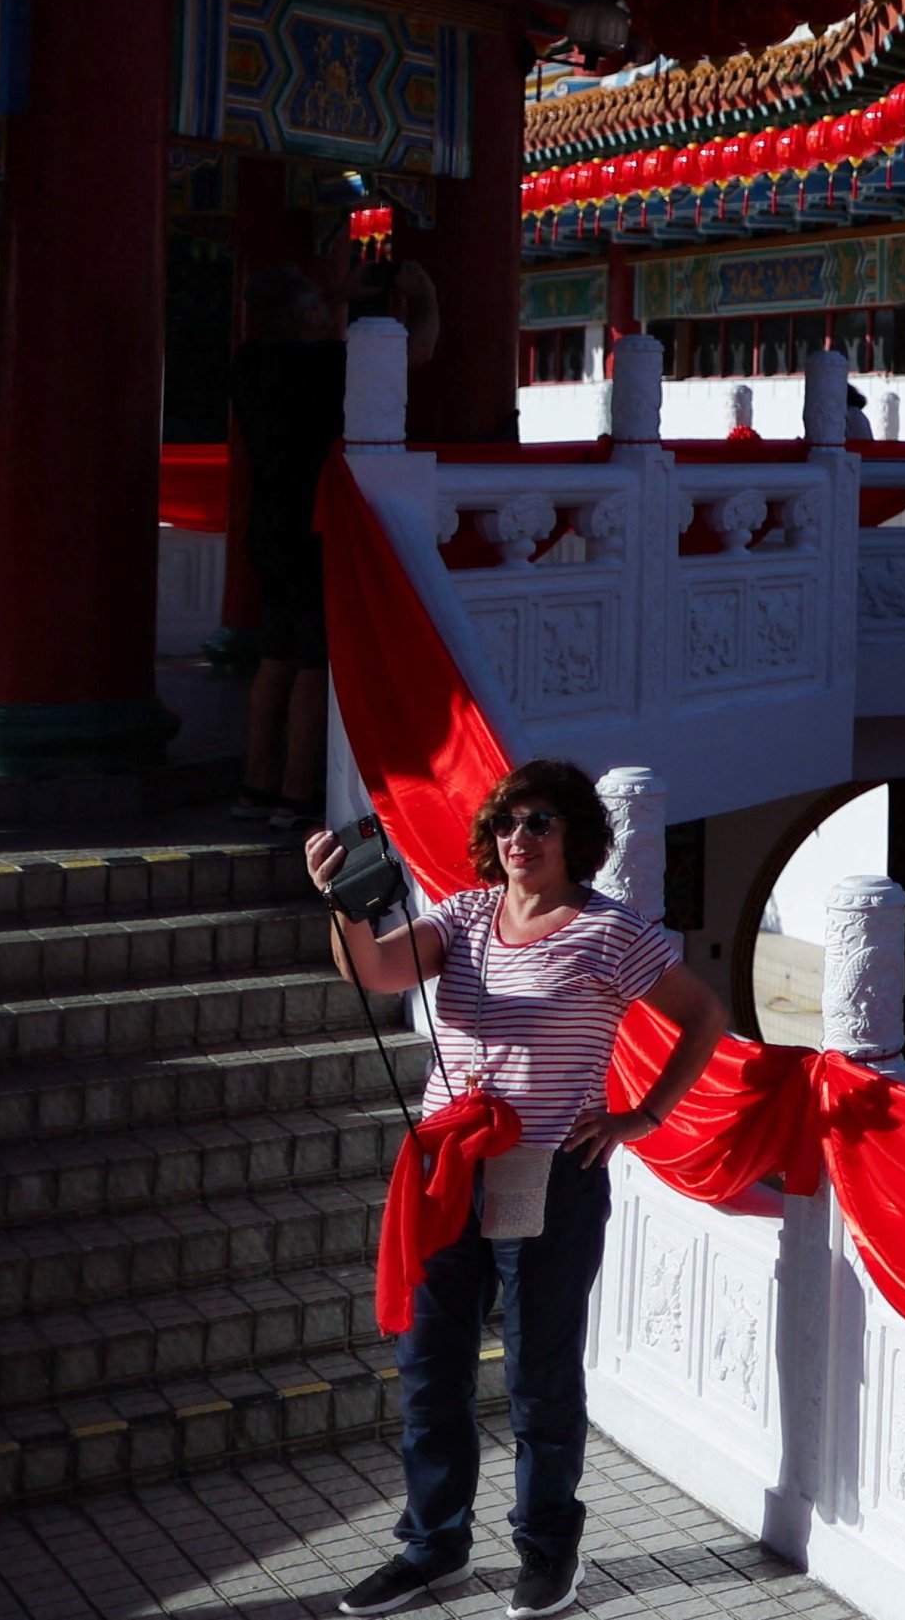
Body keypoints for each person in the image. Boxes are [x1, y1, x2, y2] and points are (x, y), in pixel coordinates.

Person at [311, 761, 729, 1618]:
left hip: (548, 1176)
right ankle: (435, 1549)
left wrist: (641, 1115)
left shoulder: (610, 932)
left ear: (574, 837)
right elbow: (375, 971)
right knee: (430, 1368)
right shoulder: (462, 917)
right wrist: (343, 903)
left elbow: (705, 1016)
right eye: (506, 821)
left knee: (538, 1375)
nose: (519, 836)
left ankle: (547, 1552)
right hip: (446, 1172)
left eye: (539, 821)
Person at [231, 257, 433, 830]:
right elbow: (414, 353)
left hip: (268, 525)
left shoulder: (249, 362)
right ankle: (297, 793)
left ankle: (256, 783)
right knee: (314, 662)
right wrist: (425, 299)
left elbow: (295, 320)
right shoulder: (323, 363)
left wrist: (335, 295)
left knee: (274, 658)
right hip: (317, 524)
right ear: (309, 315)